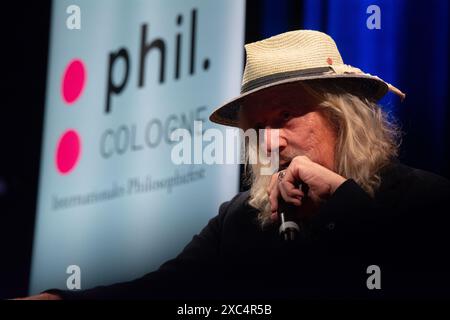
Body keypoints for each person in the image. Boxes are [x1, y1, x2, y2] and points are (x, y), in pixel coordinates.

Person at [21, 30, 450, 300]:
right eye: (258, 125)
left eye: (285, 116)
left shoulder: (421, 198)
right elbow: (165, 289)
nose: (270, 139)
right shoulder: (239, 219)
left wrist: (341, 203)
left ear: (341, 118)